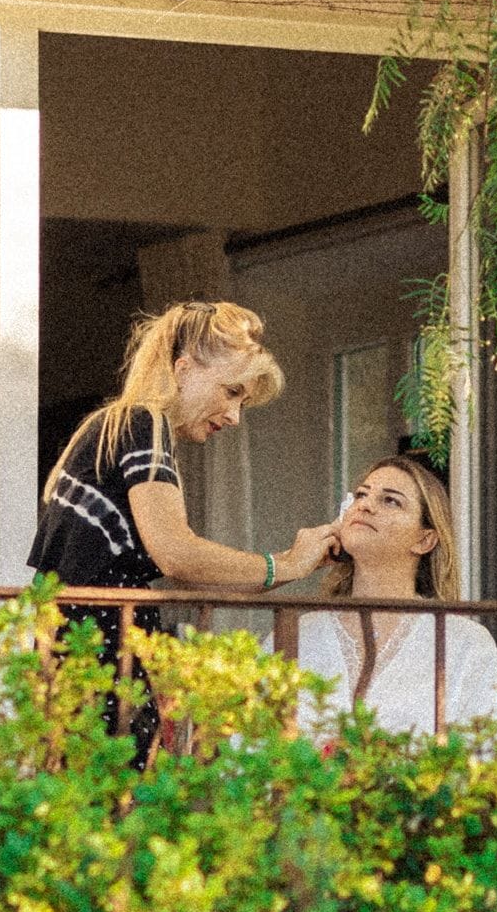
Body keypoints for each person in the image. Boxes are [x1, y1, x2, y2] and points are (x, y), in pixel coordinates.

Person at [30, 300, 337, 762]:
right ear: (183, 368)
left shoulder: (116, 426)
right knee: (119, 811)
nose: (234, 416)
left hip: (76, 647)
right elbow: (177, 555)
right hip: (98, 648)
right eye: (231, 392)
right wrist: (287, 564)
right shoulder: (142, 422)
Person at [289, 456, 497, 736]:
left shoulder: (463, 642)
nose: (365, 505)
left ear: (424, 540)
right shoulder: (298, 633)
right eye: (361, 495)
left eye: (390, 501)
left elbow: (484, 752)